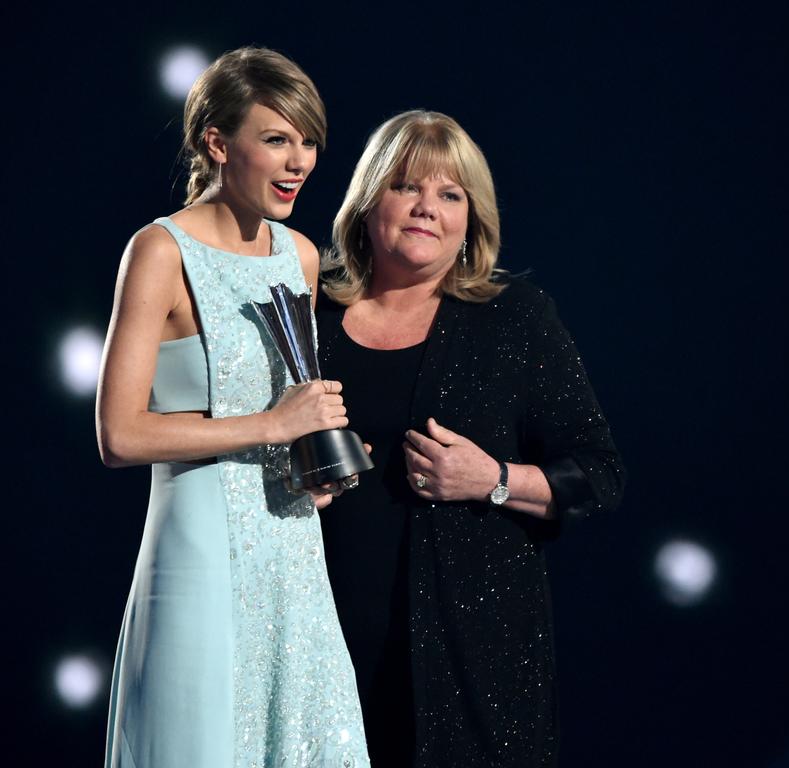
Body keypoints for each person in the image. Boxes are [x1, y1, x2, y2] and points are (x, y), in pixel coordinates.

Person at [316, 110, 625, 767]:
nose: (428, 207)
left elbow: (599, 473)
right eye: (407, 186)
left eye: (450, 194)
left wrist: (494, 480)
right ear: (369, 202)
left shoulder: (512, 319)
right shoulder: (311, 314)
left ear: (471, 219)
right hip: (321, 652)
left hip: (468, 670)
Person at [96, 47, 369, 768]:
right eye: (277, 138)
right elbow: (119, 433)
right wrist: (273, 427)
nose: (299, 162)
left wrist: (313, 463)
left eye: (307, 141)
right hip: (198, 552)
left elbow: (292, 411)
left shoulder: (301, 257)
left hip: (293, 552)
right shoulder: (159, 251)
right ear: (217, 143)